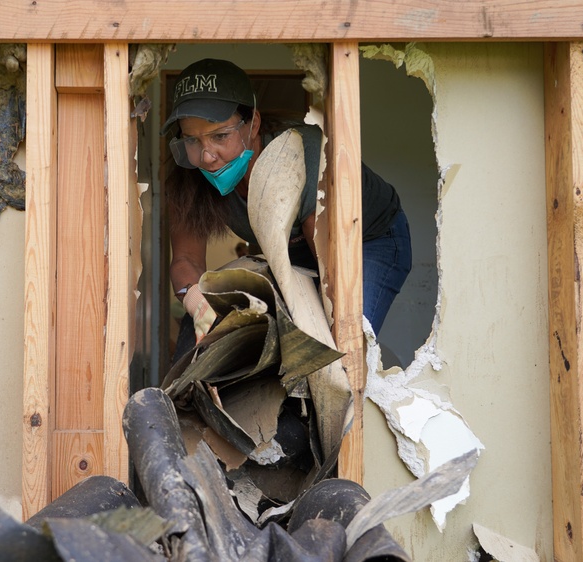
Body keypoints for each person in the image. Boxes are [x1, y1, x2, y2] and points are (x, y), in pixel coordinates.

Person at [165, 58, 412, 359]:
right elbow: (186, 259)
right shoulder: (190, 177)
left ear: (253, 124)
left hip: (367, 241)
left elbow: (331, 276)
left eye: (219, 136)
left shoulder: (297, 159)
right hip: (294, 249)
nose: (206, 156)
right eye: (192, 139)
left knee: (338, 344)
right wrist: (196, 302)